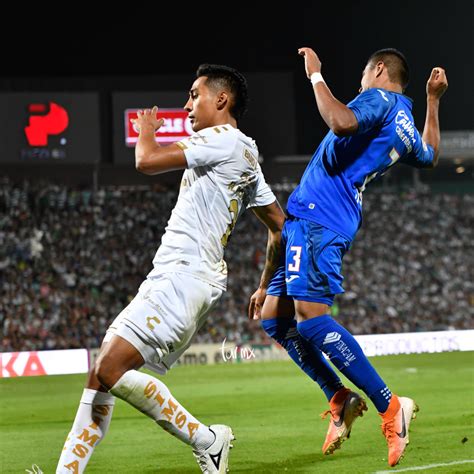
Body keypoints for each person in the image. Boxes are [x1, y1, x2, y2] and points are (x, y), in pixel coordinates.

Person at [56, 64, 285, 474]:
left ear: (221, 99)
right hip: (183, 276)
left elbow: (145, 161)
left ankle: (207, 439)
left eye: (194, 95)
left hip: (183, 275)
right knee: (100, 374)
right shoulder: (247, 151)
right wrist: (265, 283)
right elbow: (279, 227)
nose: (187, 104)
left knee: (109, 369)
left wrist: (146, 127)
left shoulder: (221, 139)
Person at [249, 47, 448, 467]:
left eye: (362, 75)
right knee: (274, 316)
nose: (359, 85)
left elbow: (340, 122)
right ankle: (339, 397)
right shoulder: (406, 124)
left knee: (312, 318)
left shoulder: (380, 99)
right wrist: (433, 102)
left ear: (378, 70)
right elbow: (430, 156)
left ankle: (391, 407)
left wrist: (316, 76)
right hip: (309, 220)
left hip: (322, 221)